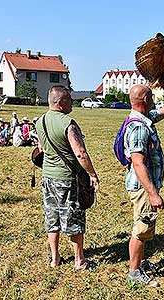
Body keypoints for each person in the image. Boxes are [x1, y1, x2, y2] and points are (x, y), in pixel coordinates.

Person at [123, 85, 164, 287]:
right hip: (142, 189)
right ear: (145, 100)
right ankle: (134, 272)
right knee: (141, 229)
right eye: (152, 96)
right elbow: (138, 163)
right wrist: (153, 194)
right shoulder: (139, 127)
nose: (155, 100)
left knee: (146, 228)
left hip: (145, 187)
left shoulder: (144, 118)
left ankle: (140, 263)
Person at [35, 85, 99, 269]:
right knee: (73, 219)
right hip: (67, 179)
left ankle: (55, 259)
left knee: (52, 218)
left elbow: (41, 148)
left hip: (47, 177)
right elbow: (80, 153)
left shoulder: (40, 121)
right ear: (61, 102)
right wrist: (92, 174)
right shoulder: (67, 123)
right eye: (70, 99)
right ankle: (79, 260)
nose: (73, 102)